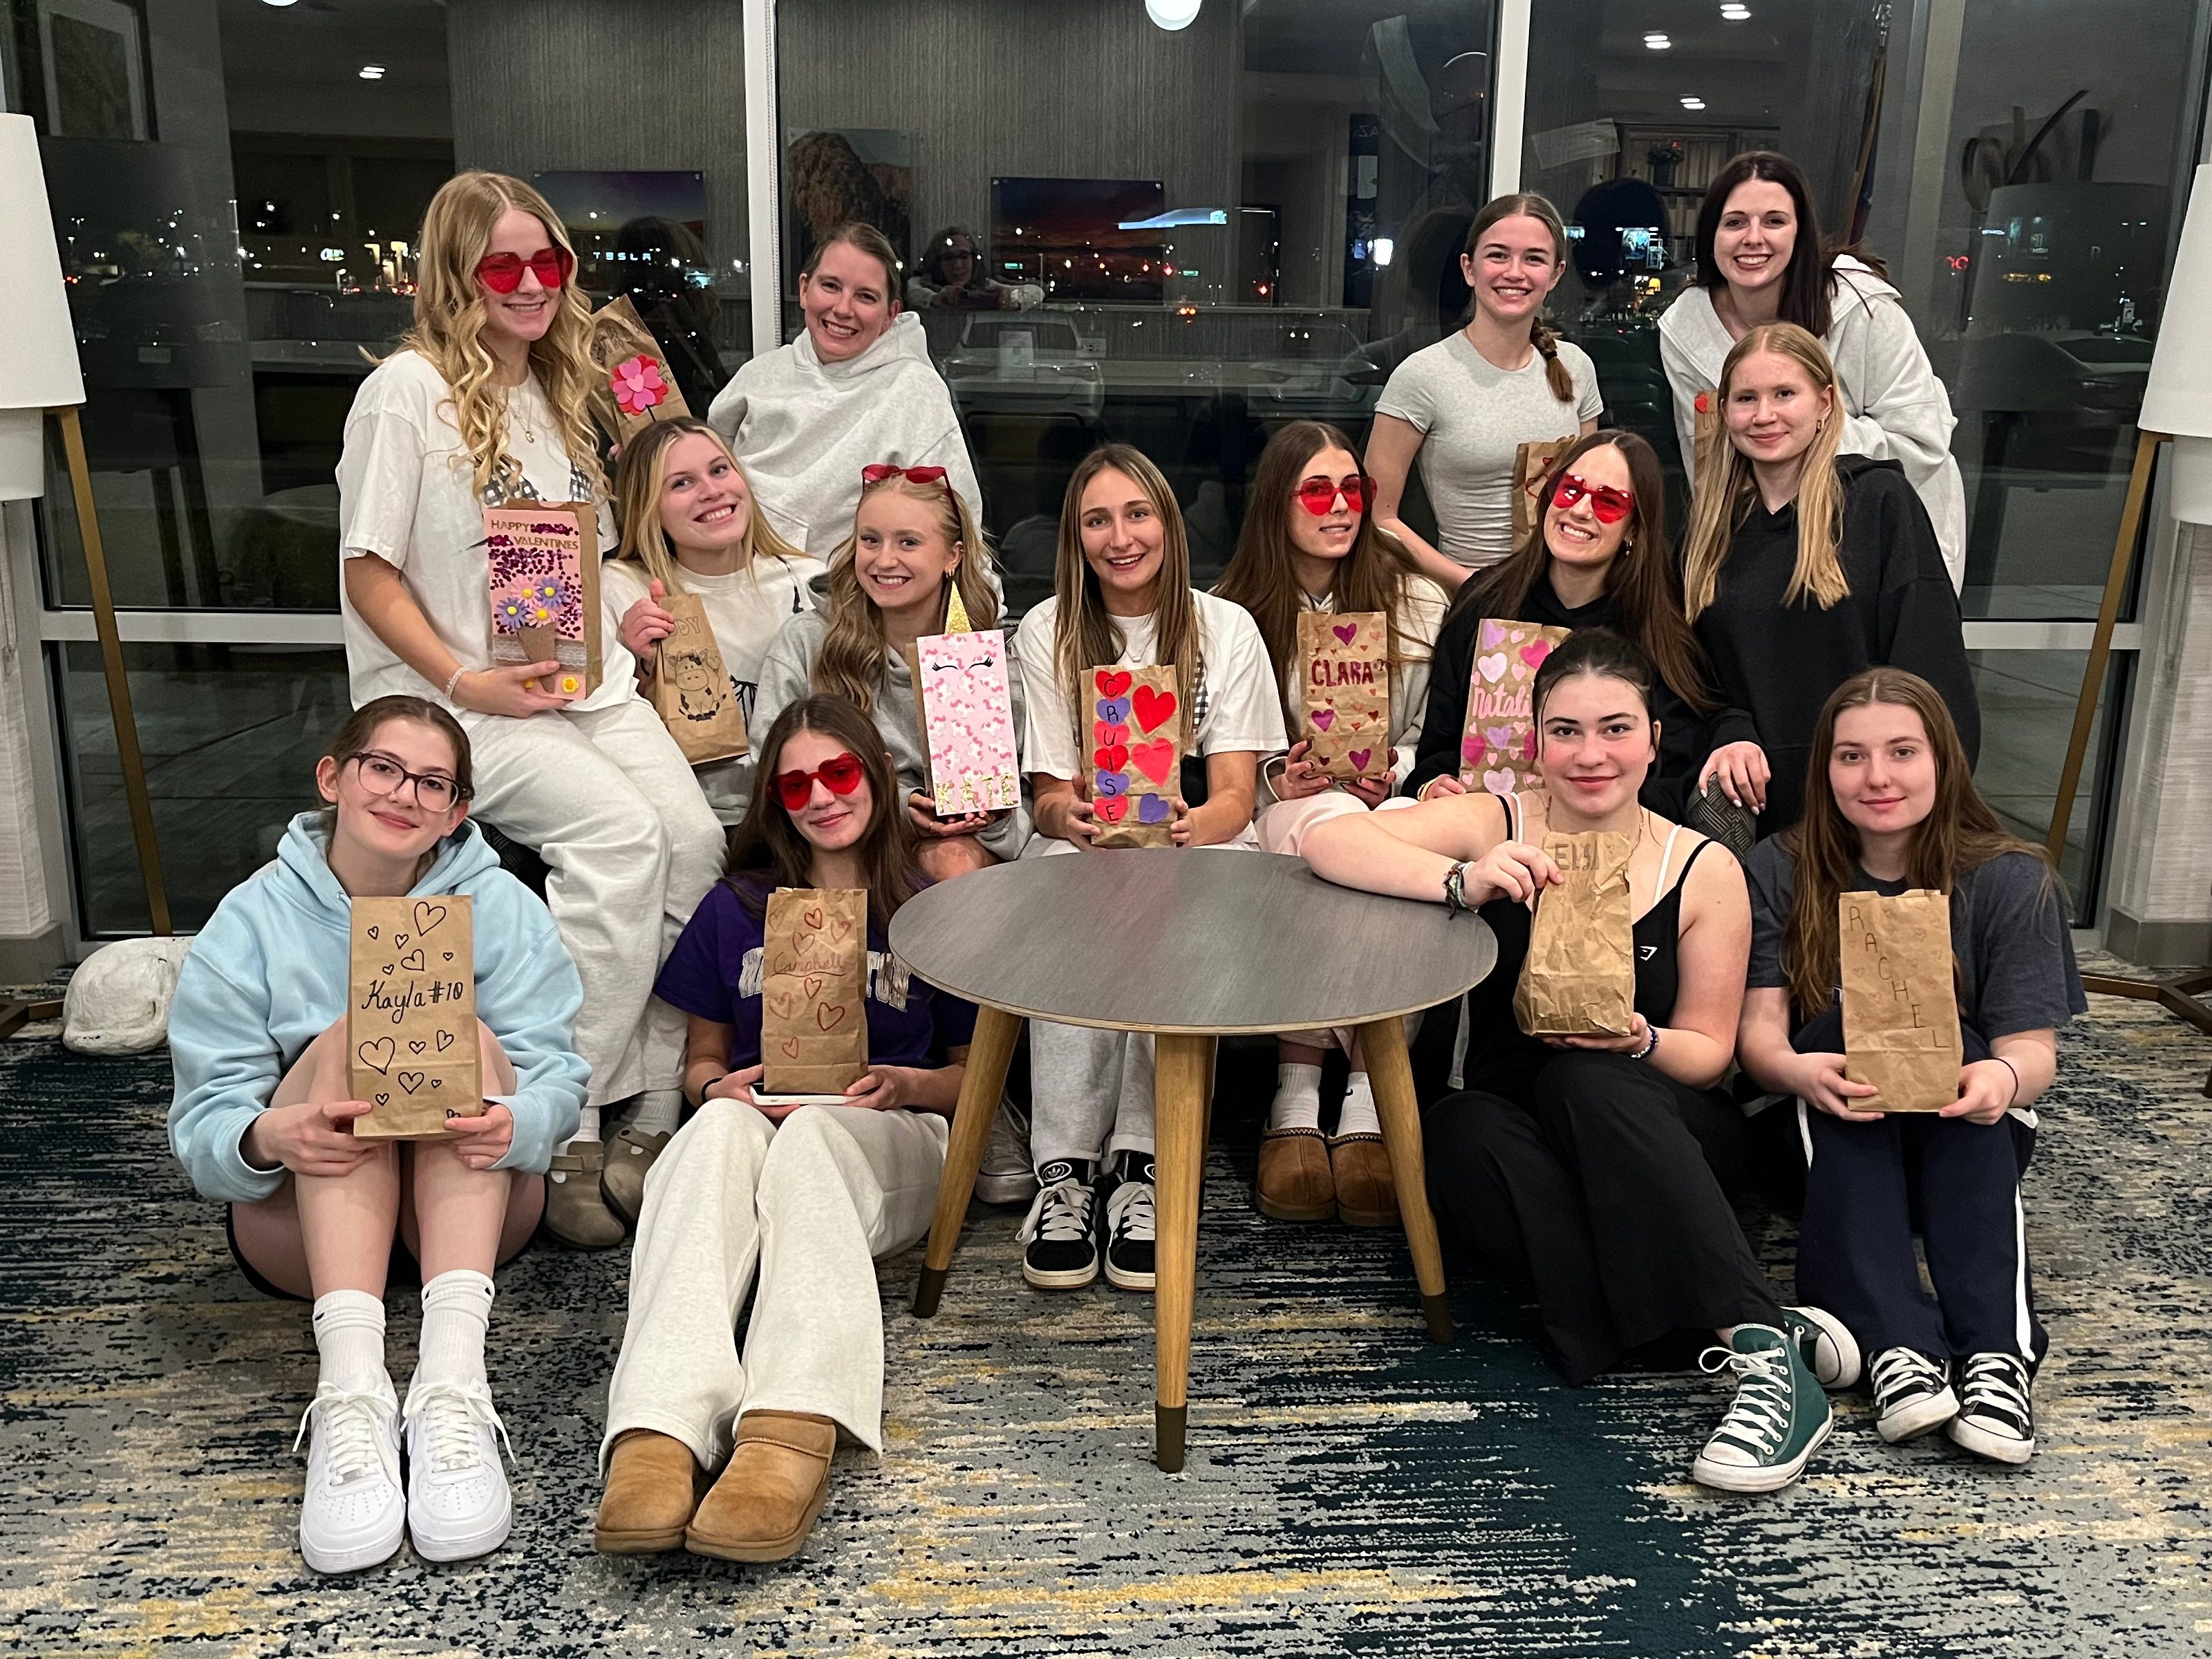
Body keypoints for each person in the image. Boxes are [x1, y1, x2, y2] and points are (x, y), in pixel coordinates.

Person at [1302, 630, 1858, 1495]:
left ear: (1653, 741)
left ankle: (1761, 1359)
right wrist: (1463, 879)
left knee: (1585, 1078)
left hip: (1653, 1123)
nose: (1589, 754)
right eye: (1564, 731)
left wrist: (1638, 1040)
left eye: (1614, 729)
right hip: (1518, 1131)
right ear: (1534, 742)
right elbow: (1327, 843)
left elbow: (1709, 1054)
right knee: (1455, 1128)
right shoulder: (1498, 820)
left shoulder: (1700, 865)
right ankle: (1714, 1320)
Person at [337, 170, 724, 1250]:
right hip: (454, 704)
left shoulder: (553, 392)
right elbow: (368, 573)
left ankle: (651, 1103)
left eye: (546, 261)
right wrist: (467, 683)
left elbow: (560, 556)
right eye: (501, 265)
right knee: (621, 838)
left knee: (694, 842)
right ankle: (567, 1120)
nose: (530, 283)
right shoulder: (405, 394)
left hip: (572, 681)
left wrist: (624, 605)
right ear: (455, 274)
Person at [167, 697, 588, 1574]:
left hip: (465, 1215)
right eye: (384, 769)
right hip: (303, 1229)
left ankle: (452, 1388)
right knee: (353, 1037)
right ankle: (351, 1394)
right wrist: (268, 1136)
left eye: (434, 783)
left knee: (460, 1033)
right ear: (333, 777)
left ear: (457, 812)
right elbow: (200, 1124)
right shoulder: (249, 918)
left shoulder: (501, 906)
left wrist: (519, 1120)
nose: (405, 795)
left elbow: (557, 1072)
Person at [591, 695, 975, 1562]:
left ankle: (792, 1423)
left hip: (893, 1135)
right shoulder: (735, 907)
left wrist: (906, 1083)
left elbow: (972, 1082)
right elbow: (700, 1062)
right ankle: (657, 1424)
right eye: (796, 785)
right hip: (762, 1121)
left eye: (838, 773)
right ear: (774, 800)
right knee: (709, 1137)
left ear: (877, 774)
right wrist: (715, 1089)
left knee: (812, 1141)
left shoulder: (930, 906)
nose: (821, 798)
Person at [1736, 670, 2079, 1465]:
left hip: (1965, 1131)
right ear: (1824, 769)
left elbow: (2032, 1054)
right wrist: (1800, 1073)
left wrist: (1998, 1081)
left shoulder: (2010, 879)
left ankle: (1994, 1356)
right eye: (1851, 756)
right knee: (1836, 1029)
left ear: (1941, 760)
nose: (1876, 777)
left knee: (1965, 1047)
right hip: (1821, 1132)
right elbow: (1760, 1039)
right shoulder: (1777, 869)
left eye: (1900, 752)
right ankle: (1898, 1348)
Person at [1012, 443, 1287, 1293]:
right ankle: (1063, 1171)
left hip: (1198, 835)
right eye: (1097, 520)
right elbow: (1047, 793)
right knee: (1060, 897)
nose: (1119, 537)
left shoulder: (1224, 627)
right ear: (1075, 536)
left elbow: (1236, 795)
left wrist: (1184, 830)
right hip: (1091, 838)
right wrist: (1070, 819)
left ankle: (1144, 1164)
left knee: (1171, 911)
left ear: (1168, 523)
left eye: (1136, 515)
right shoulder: (1046, 627)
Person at [1214, 419, 1447, 1228]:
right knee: (1337, 826)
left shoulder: (1419, 601)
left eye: (1354, 489)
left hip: (1390, 811)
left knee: (1395, 831)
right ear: (1276, 502)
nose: (1341, 506)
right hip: (1282, 817)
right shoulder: (1229, 614)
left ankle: (1347, 1096)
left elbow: (1434, 735)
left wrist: (1398, 770)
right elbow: (1212, 756)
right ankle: (1316, 1095)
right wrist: (1278, 776)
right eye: (1317, 491)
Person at [1683, 323, 1977, 837]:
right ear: (1724, 410)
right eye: (1746, 398)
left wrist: (1921, 790)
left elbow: (1930, 665)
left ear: (1824, 403)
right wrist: (1728, 729)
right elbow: (1689, 670)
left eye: (1784, 394)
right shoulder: (1708, 530)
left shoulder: (1878, 503)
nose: (1764, 415)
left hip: (1866, 804)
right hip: (1755, 806)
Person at [1404, 429, 1748, 825]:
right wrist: (1433, 785)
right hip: (1484, 830)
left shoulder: (1656, 627)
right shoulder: (1484, 600)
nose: (1581, 510)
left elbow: (1677, 767)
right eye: (1570, 490)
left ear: (1634, 529)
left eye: (1609, 502)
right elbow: (1437, 746)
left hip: (1612, 837)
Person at [1660, 151, 1966, 588]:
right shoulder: (1685, 327)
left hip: (1883, 538)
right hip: (1763, 538)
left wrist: (1801, 434)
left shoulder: (1863, 308)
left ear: (1800, 231)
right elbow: (1706, 463)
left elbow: (1921, 444)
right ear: (1711, 234)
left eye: (1774, 221)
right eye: (1735, 222)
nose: (1753, 238)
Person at [756, 462, 1029, 881]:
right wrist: (900, 807)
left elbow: (1027, 797)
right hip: (840, 835)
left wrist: (989, 815)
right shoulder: (806, 641)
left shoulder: (987, 658)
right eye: (870, 540)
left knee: (952, 863)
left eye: (908, 542)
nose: (884, 560)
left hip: (961, 853)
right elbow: (771, 771)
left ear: (953, 556)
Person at [1367, 193, 1604, 588]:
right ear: (1469, 268)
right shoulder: (1422, 376)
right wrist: (1472, 584)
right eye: (1498, 255)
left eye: (1534, 259)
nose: (1515, 272)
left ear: (1556, 274)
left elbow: (1590, 492)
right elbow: (1379, 517)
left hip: (1563, 594)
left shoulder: (1576, 367)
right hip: (1466, 595)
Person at [707, 222, 984, 559]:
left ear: (890, 314)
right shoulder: (758, 376)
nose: (843, 309)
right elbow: (710, 472)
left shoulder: (915, 392)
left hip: (849, 588)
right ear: (805, 290)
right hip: (738, 572)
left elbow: (959, 527)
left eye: (866, 296)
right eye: (831, 286)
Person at [604, 416, 825, 826]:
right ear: (648, 507)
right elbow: (610, 726)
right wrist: (634, 663)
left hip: (813, 806)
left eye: (720, 470)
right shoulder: (626, 586)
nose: (711, 491)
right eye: (682, 483)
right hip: (701, 818)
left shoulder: (808, 579)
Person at [906, 224, 1042, 311]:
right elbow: (912, 294)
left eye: (964, 256)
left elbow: (1036, 291)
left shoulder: (986, 285)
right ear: (937, 263)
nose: (957, 265)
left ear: (974, 259)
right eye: (948, 258)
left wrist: (1008, 298)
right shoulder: (919, 284)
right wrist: (937, 299)